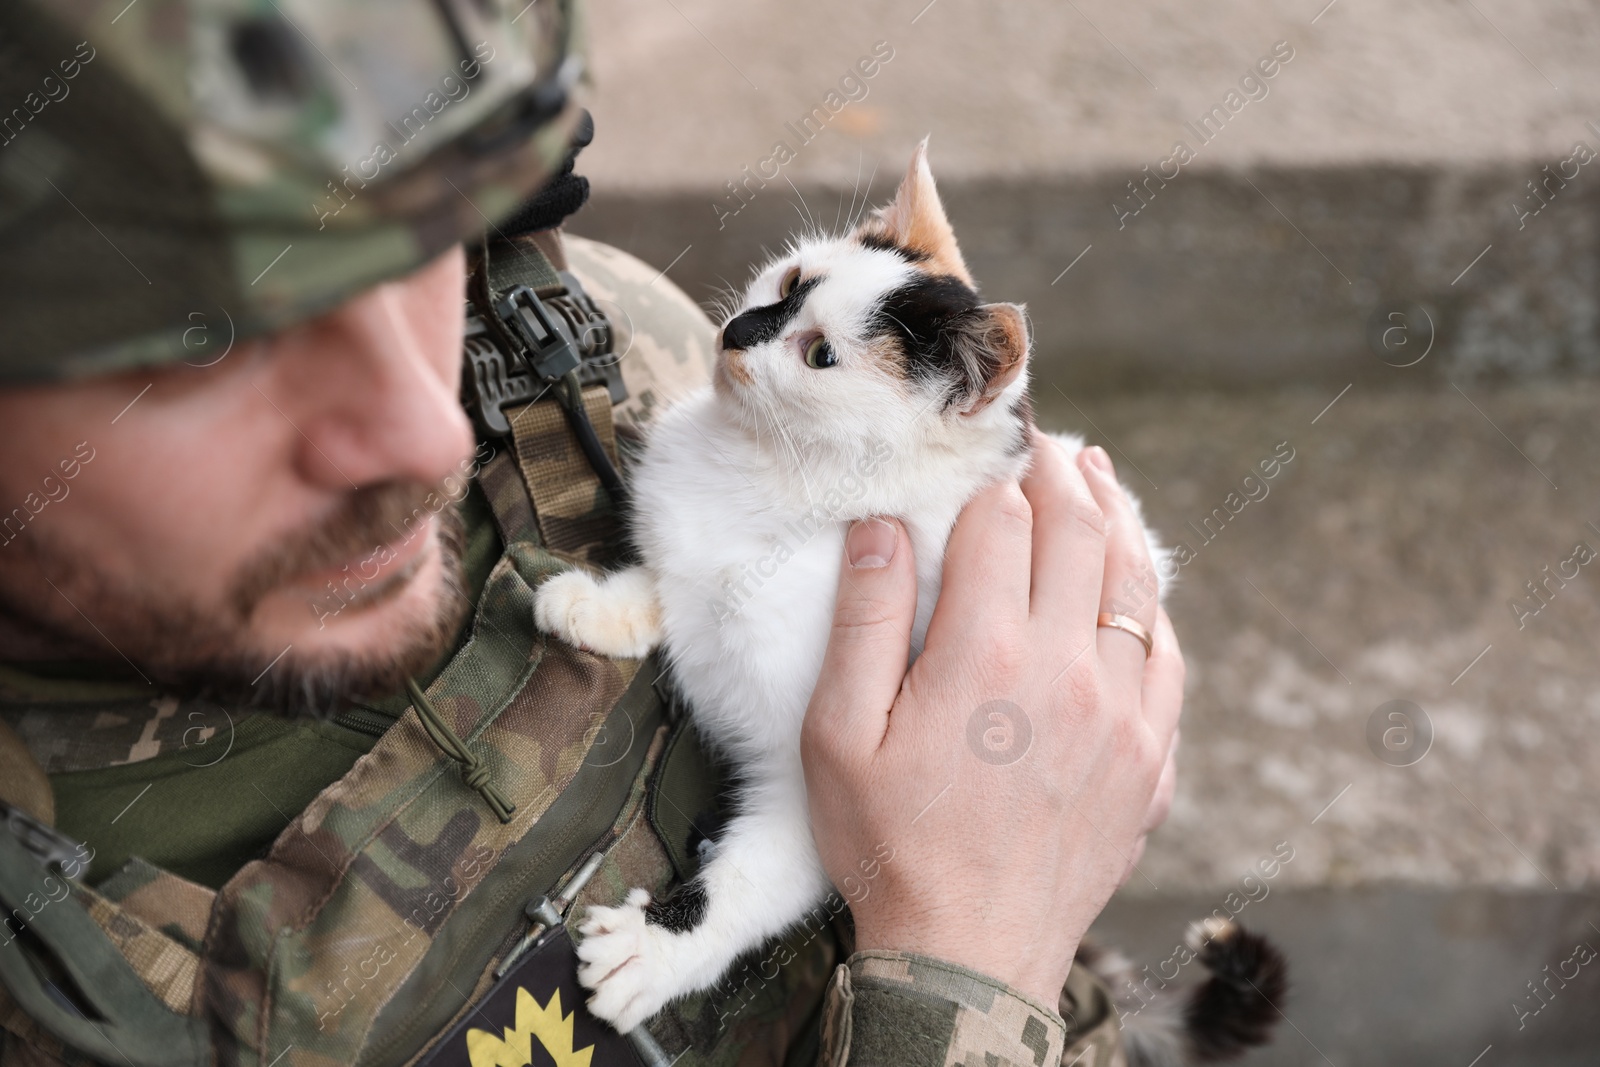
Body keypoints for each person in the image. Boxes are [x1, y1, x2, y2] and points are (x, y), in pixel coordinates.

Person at [0, 2, 1182, 1065]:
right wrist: (971, 966)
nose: (425, 433)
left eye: (420, 239)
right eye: (207, 338)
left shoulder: (608, 348)